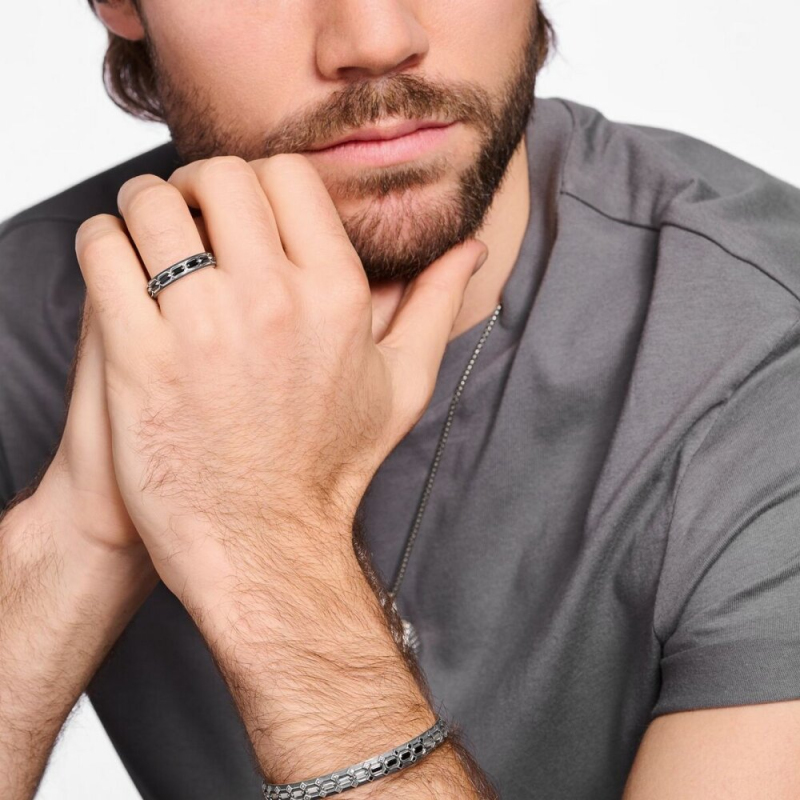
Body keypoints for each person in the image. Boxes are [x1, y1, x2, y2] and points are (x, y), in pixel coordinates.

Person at [3, 0, 800, 798]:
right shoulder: (26, 316)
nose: (379, 39)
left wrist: (264, 541)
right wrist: (75, 541)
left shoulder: (764, 343)